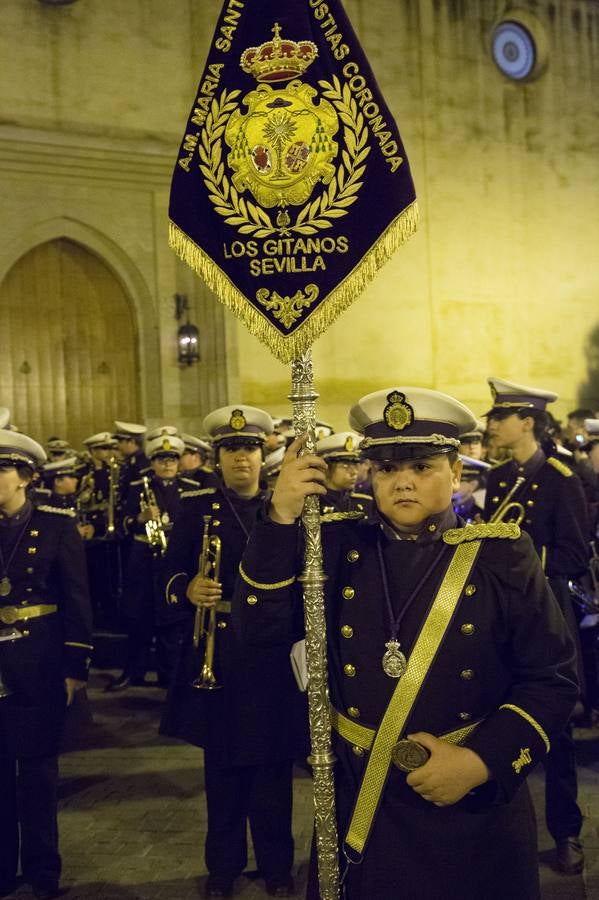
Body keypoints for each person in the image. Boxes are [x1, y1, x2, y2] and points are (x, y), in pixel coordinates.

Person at [234, 386, 578, 900]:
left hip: (472, 809)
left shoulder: (502, 556)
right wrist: (280, 518)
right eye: (388, 468)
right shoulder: (336, 545)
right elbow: (258, 631)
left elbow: (552, 681)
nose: (403, 482)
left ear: (457, 473)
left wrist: (481, 762)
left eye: (422, 466)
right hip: (361, 797)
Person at [160, 405, 301, 899]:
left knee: (272, 768)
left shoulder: (288, 506)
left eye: (251, 449)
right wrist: (187, 587)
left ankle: (278, 867)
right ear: (217, 458)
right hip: (218, 654)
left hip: (270, 654)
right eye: (232, 450)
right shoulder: (196, 506)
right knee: (221, 771)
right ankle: (222, 868)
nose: (242, 458)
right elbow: (166, 575)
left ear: (265, 456)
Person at [483, 376, 589, 874]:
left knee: (559, 731)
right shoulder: (500, 479)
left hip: (546, 611)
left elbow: (571, 552)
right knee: (497, 722)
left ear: (527, 422)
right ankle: (502, 831)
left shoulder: (561, 478)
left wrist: (524, 575)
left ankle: (566, 833)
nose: (491, 425)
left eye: (499, 417)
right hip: (498, 616)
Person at [0, 430, 93, 899]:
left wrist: (75, 665)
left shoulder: (56, 524)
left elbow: (77, 597)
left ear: (26, 478)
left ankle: (43, 871)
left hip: (38, 660)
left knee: (37, 772)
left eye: (2, 469)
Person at [108, 431, 195, 691]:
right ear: (153, 462)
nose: (167, 464)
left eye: (171, 459)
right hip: (143, 558)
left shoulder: (190, 490)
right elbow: (120, 523)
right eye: (161, 459)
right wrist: (139, 518)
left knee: (171, 616)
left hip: (175, 558)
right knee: (139, 616)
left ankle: (170, 678)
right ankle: (132, 671)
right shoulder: (138, 487)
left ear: (179, 462)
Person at [316, 431, 373, 516]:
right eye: (345, 466)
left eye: (355, 465)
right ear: (325, 468)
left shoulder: (365, 504)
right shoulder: (312, 505)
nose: (354, 472)